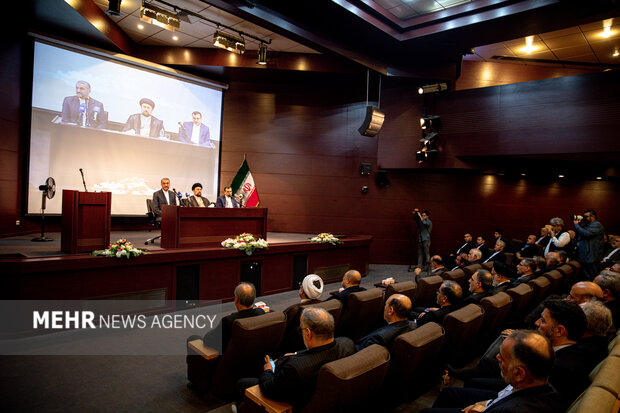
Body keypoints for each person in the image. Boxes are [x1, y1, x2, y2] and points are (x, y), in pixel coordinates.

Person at [236, 308, 355, 411]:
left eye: (301, 329)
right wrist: (296, 354)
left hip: (294, 400)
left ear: (308, 333)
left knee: (242, 384)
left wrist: (268, 370)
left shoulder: (295, 368)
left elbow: (269, 388)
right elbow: (319, 352)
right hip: (323, 397)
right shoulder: (348, 344)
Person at [423, 330, 562, 413]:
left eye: (502, 358)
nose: (497, 358)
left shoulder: (513, 410)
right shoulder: (545, 387)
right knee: (449, 393)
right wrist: (486, 403)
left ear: (519, 374)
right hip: (494, 403)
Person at [187, 282, 265, 352]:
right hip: (252, 360)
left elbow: (208, 340)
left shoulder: (229, 321)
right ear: (253, 299)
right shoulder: (261, 312)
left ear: (236, 300)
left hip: (229, 363)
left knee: (193, 338)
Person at [574, 209, 605, 281]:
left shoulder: (597, 225)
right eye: (584, 216)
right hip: (585, 255)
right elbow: (579, 232)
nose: (585, 218)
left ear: (593, 216)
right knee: (584, 276)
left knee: (591, 276)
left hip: (592, 256)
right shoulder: (587, 224)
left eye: (586, 216)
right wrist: (579, 223)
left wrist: (576, 225)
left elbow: (586, 234)